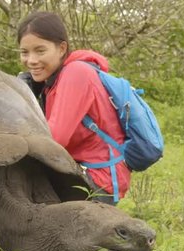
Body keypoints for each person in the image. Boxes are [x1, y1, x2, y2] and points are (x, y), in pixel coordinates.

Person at [17, 11, 130, 204]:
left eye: (40, 51)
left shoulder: (76, 73)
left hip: (97, 179)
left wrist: (23, 99)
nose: (31, 60)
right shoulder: (53, 80)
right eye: (24, 52)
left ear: (62, 49)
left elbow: (54, 140)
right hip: (81, 172)